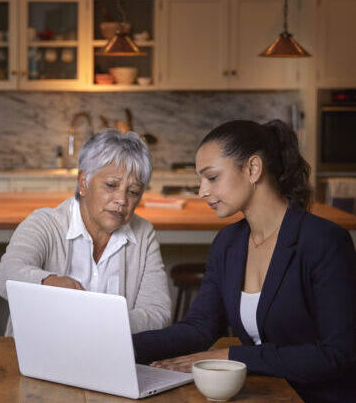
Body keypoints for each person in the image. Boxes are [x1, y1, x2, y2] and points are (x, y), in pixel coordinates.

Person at [132, 119, 356, 402]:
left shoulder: (325, 241)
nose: (202, 191)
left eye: (212, 177)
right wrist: (122, 346)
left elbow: (337, 353)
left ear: (253, 169)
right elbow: (199, 328)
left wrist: (232, 355)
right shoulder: (228, 243)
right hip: (263, 393)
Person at [0, 129, 171, 336]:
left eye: (133, 192)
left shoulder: (143, 234)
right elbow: (7, 273)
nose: (122, 200)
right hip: (38, 357)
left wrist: (97, 323)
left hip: (111, 358)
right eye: (111, 185)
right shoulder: (44, 223)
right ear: (83, 183)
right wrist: (48, 282)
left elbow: (158, 312)